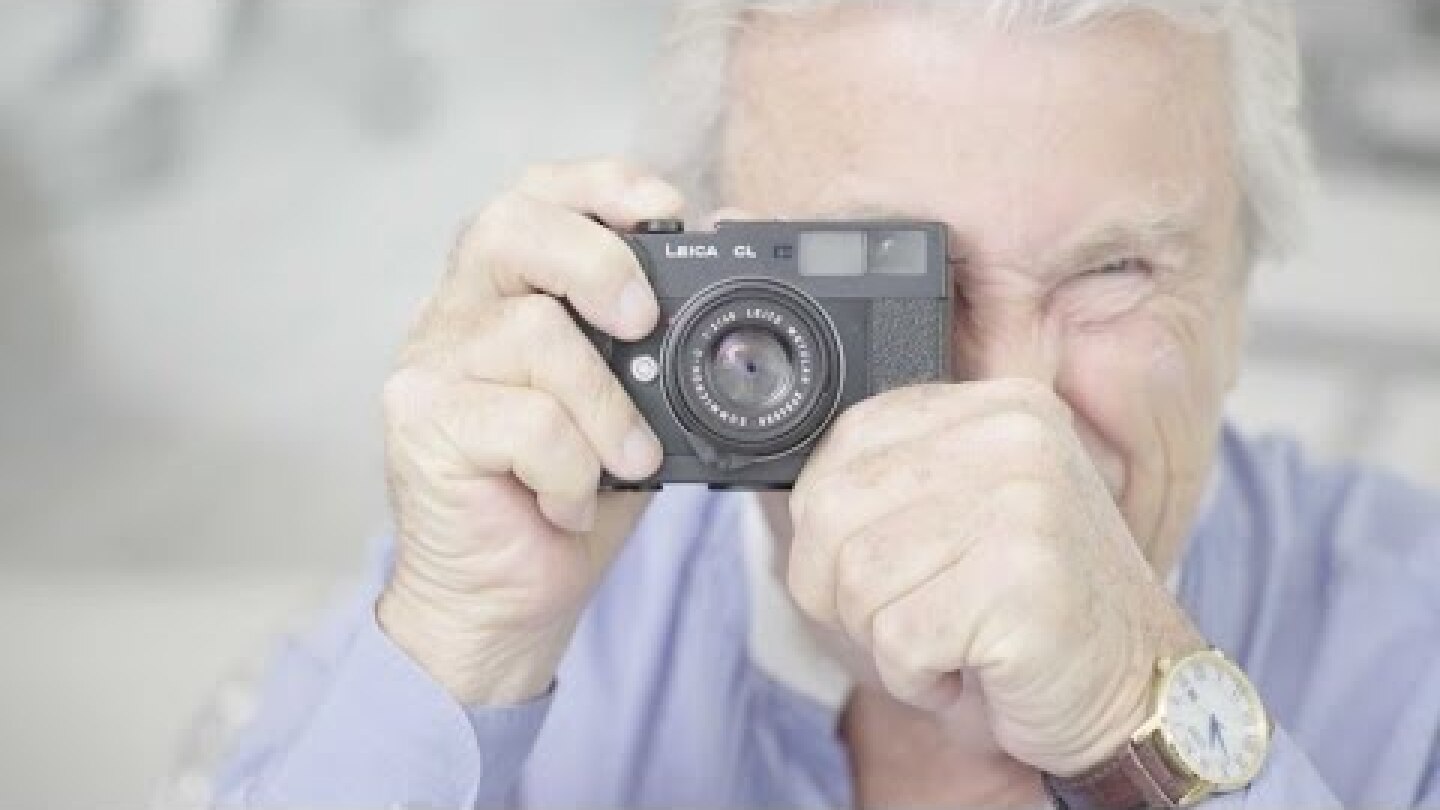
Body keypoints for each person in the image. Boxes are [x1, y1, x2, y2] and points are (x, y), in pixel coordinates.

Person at [209, 1, 1440, 807]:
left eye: (1115, 272)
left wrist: (1143, 708)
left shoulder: (1415, 644)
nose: (1015, 413)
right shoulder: (523, 582)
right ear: (702, 258)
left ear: (1240, 291)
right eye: (887, 276)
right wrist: (460, 649)